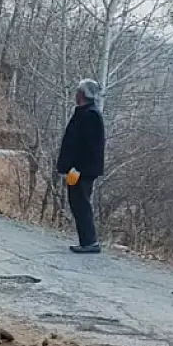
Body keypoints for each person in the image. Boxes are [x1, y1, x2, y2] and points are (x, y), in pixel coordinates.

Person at [56, 78, 106, 254]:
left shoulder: (91, 115)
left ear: (83, 95)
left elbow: (92, 147)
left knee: (81, 203)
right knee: (77, 202)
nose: (75, 94)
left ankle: (90, 242)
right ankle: (86, 241)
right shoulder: (83, 112)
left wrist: (79, 167)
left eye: (78, 91)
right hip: (76, 169)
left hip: (82, 170)